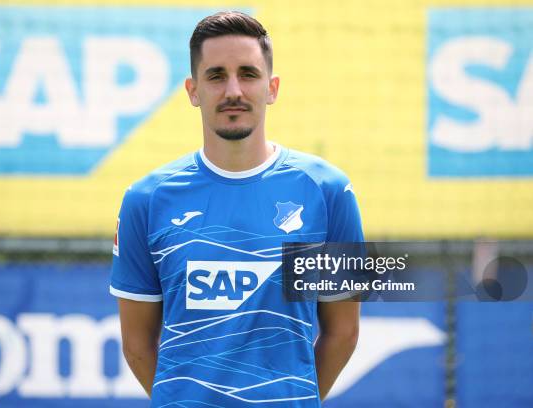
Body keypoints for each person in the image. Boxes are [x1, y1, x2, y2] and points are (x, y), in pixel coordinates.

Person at [110, 11, 363, 407]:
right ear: (193, 91)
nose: (233, 91)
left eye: (248, 74)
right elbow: (137, 343)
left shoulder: (330, 191)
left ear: (272, 87)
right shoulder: (146, 199)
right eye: (216, 76)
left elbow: (344, 333)